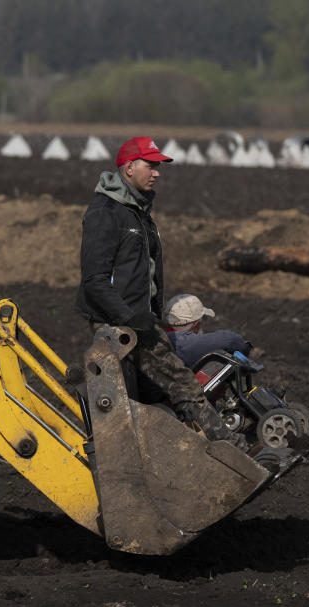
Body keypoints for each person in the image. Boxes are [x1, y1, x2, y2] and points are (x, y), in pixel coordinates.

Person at [75, 136, 238, 444]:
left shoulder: (138, 212)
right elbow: (94, 280)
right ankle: (230, 446)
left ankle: (164, 450)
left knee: (136, 397)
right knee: (180, 381)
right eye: (151, 165)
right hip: (120, 324)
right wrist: (129, 317)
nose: (157, 172)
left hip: (138, 319)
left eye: (158, 165)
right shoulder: (106, 213)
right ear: (128, 168)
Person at [164, 294, 252, 369]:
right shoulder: (183, 342)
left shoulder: (160, 335)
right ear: (196, 324)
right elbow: (230, 340)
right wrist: (245, 347)